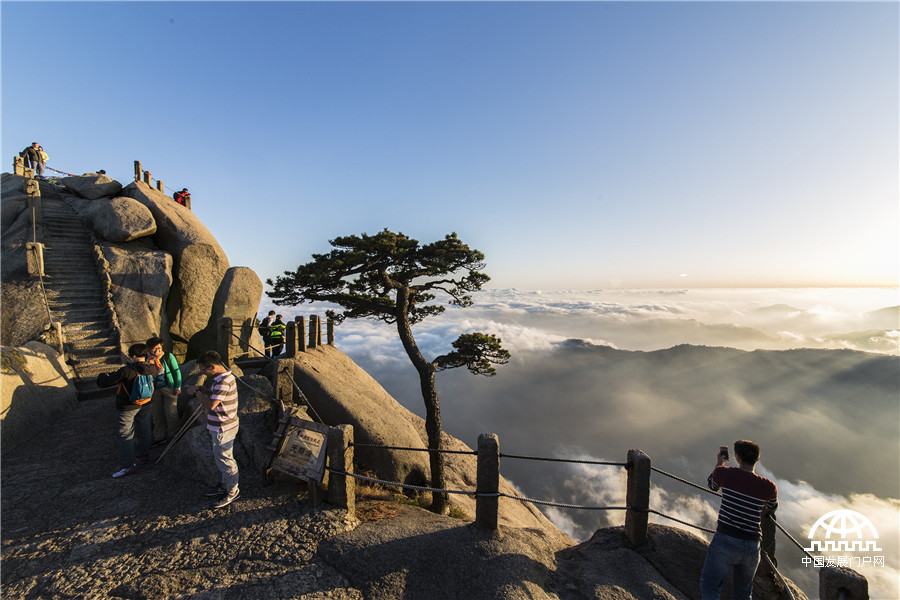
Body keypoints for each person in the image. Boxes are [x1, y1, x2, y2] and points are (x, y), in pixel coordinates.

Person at [700, 440, 778, 600]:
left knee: (710, 586)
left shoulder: (725, 473)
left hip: (725, 539)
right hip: (751, 545)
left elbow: (712, 485)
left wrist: (719, 463)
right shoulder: (769, 487)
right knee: (743, 594)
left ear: (737, 457)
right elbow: (771, 508)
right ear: (757, 459)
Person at [184, 351, 240, 509]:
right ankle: (224, 485)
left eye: (203, 370)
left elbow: (211, 405)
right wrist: (205, 390)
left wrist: (196, 392)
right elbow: (218, 398)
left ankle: (232, 491)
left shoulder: (223, 382)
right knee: (222, 457)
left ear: (212, 366)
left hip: (223, 427)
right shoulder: (225, 377)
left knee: (225, 459)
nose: (203, 373)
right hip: (225, 425)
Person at [96, 343, 159, 478]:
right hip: (146, 403)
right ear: (146, 355)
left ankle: (127, 464)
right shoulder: (152, 368)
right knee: (144, 429)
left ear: (133, 356)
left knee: (125, 434)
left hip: (127, 406)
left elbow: (105, 382)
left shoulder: (127, 370)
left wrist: (103, 375)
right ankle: (142, 456)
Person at [146, 336, 182, 448]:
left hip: (168, 387)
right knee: (156, 413)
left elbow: (176, 372)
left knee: (171, 411)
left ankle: (173, 435)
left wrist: (178, 386)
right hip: (154, 389)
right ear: (149, 349)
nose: (157, 351)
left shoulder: (167, 356)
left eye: (159, 348)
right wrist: (148, 363)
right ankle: (159, 436)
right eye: (154, 349)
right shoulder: (147, 360)